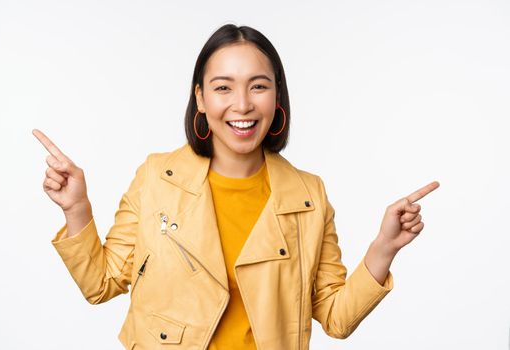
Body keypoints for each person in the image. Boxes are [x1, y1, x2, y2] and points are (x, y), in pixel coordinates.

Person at [33, 23, 439, 350]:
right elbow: (100, 285)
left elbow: (335, 317)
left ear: (276, 95)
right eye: (223, 87)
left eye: (258, 86)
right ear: (201, 98)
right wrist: (77, 209)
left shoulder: (309, 195)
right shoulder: (157, 177)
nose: (242, 104)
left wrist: (384, 247)